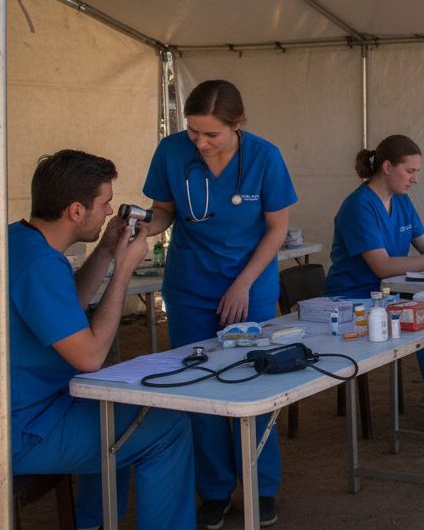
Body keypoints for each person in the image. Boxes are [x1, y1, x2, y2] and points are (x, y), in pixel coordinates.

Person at [0, 150, 194, 530]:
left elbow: (65, 309)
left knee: (113, 406)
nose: (108, 212)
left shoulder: (16, 240)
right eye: (104, 203)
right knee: (166, 425)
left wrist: (105, 251)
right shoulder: (39, 263)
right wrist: (123, 271)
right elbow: (89, 356)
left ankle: (92, 523)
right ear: (75, 210)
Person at [138, 79, 297, 528]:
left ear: (238, 125)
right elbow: (165, 210)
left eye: (213, 134)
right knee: (199, 386)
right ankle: (213, 489)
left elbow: (277, 229)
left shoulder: (264, 156)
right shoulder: (171, 151)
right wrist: (144, 230)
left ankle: (262, 487)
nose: (202, 144)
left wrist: (243, 284)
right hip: (190, 285)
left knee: (255, 383)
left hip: (250, 283)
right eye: (194, 132)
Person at [325, 134, 424, 433]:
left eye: (417, 172)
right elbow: (382, 267)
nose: (415, 179)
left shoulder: (402, 201)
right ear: (386, 167)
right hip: (352, 300)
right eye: (410, 171)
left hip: (385, 293)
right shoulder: (359, 206)